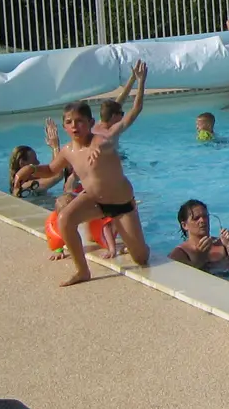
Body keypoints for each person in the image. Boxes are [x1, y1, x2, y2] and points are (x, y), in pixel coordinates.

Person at [10, 61, 152, 285]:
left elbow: (133, 112)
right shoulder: (68, 150)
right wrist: (31, 170)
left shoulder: (104, 139)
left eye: (80, 122)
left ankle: (137, 242)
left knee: (141, 258)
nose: (75, 126)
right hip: (95, 200)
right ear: (64, 126)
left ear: (91, 123)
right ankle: (82, 271)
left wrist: (141, 82)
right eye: (69, 122)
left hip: (122, 204)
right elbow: (51, 170)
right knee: (65, 218)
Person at [168, 200, 229, 271]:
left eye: (205, 216)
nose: (202, 220)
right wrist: (200, 259)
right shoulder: (180, 253)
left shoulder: (222, 243)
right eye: (196, 218)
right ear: (184, 225)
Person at [95, 64, 144, 132]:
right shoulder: (110, 133)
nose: (122, 117)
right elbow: (137, 108)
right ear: (113, 116)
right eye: (122, 114)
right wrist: (141, 81)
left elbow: (121, 100)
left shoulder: (98, 125)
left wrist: (133, 78)